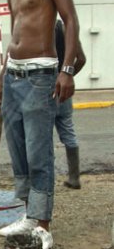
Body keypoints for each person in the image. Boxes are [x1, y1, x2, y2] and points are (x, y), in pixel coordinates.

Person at [0, 0, 80, 249]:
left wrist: (66, 70)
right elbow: (14, 36)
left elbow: (70, 19)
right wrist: (1, 79)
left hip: (41, 76)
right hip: (13, 77)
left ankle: (43, 226)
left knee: (39, 153)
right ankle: (29, 214)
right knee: (19, 152)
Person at [55, 19, 86, 189]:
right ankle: (74, 178)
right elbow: (81, 59)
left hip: (44, 86)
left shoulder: (42, 26)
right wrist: (67, 76)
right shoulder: (67, 28)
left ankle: (43, 181)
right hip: (64, 87)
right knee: (68, 131)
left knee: (41, 135)